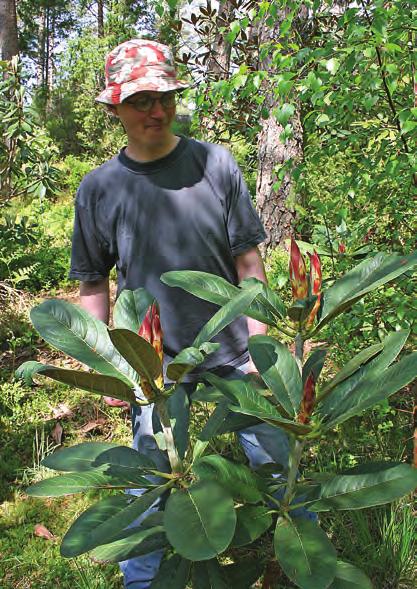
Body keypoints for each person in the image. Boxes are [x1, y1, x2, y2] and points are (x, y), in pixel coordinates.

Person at [69, 39, 311, 589]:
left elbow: (249, 262)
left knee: (277, 467)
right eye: (141, 100)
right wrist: (112, 364)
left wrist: (261, 350)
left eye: (165, 97)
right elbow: (92, 283)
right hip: (151, 368)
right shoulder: (98, 188)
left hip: (232, 355)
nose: (156, 110)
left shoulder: (215, 164)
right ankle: (145, 582)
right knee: (149, 488)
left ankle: (303, 568)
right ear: (114, 108)